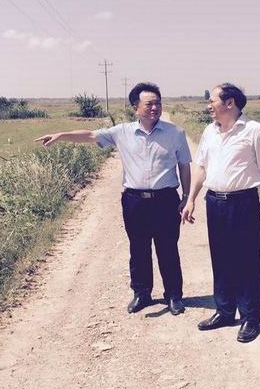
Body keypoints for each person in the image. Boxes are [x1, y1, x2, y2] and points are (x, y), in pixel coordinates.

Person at [36, 82, 192, 315]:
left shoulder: (175, 133)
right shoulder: (122, 132)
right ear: (135, 108)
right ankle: (141, 294)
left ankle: (173, 296)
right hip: (134, 201)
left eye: (158, 103)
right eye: (149, 104)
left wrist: (187, 196)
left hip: (165, 200)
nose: (155, 108)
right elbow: (91, 135)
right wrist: (61, 135)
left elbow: (184, 167)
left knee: (168, 248)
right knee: (138, 248)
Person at [181, 83, 260, 343]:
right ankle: (224, 311)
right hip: (215, 202)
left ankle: (250, 318)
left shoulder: (255, 130)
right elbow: (201, 168)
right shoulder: (209, 131)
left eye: (212, 100)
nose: (209, 105)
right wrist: (191, 199)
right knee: (221, 259)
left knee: (246, 261)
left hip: (243, 203)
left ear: (230, 103)